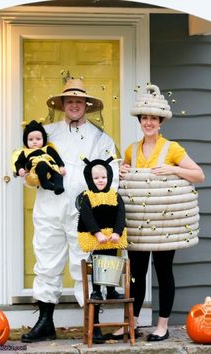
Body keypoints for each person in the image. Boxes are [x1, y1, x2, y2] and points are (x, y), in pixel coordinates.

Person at [104, 83, 205, 342]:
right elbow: (121, 179)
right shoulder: (130, 149)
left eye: (153, 118)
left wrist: (174, 170)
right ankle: (133, 323)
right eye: (144, 118)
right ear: (140, 121)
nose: (148, 123)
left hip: (164, 223)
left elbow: (199, 174)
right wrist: (121, 170)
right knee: (136, 272)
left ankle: (162, 325)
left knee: (163, 270)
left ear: (160, 121)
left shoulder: (172, 149)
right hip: (138, 221)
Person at [21, 78, 119, 343]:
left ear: (86, 105)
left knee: (84, 264)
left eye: (79, 101)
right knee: (47, 263)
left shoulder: (101, 139)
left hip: (83, 214)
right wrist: (29, 174)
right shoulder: (46, 134)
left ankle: (92, 324)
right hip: (49, 209)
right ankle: (45, 322)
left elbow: (112, 176)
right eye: (69, 100)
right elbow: (29, 163)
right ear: (63, 104)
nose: (74, 105)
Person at [77, 157, 127, 343]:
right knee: (98, 264)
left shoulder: (115, 196)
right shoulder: (87, 197)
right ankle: (98, 289)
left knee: (112, 262)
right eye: (96, 178)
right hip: (98, 240)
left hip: (112, 238)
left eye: (104, 177)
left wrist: (117, 232)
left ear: (109, 177)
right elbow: (87, 216)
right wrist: (97, 233)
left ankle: (112, 289)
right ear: (90, 179)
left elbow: (121, 214)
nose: (100, 180)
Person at [14, 119, 65, 194]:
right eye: (30, 139)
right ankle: (44, 182)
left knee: (57, 175)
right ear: (26, 141)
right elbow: (19, 162)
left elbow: (56, 157)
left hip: (51, 167)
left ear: (43, 139)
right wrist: (20, 169)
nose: (34, 142)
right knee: (42, 164)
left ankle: (58, 187)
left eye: (38, 139)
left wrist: (61, 166)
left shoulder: (47, 148)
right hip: (36, 169)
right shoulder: (25, 152)